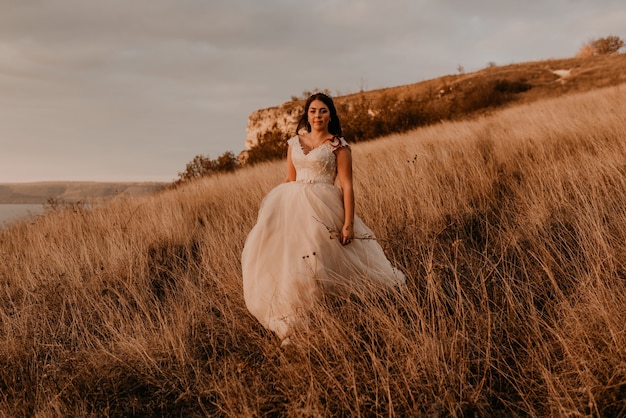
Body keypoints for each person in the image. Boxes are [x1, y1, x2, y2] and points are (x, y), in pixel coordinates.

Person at [241, 93, 405, 344]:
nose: (317, 116)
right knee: (290, 259)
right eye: (313, 111)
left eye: (323, 111)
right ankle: (294, 317)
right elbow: (289, 179)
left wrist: (348, 223)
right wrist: (272, 209)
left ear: (331, 115)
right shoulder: (294, 143)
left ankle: (323, 310)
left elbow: (347, 186)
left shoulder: (339, 146)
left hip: (323, 206)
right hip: (291, 205)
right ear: (307, 115)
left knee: (317, 255)